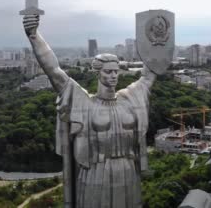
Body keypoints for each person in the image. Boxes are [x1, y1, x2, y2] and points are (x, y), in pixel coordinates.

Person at [23, 14, 156, 208]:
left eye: (116, 71)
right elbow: (54, 71)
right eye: (108, 71)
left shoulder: (129, 99)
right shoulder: (85, 104)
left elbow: (149, 75)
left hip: (128, 171)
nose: (113, 76)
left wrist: (156, 39)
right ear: (97, 73)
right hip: (95, 174)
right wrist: (34, 35)